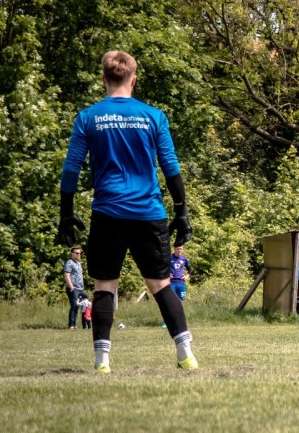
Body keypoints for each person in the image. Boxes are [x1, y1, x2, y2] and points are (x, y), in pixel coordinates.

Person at [57, 50, 197, 373]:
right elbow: (171, 168)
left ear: (103, 79)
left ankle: (102, 363)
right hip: (149, 212)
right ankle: (186, 355)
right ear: (133, 80)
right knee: (161, 284)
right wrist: (181, 211)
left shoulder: (88, 117)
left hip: (107, 213)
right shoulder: (154, 116)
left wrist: (66, 212)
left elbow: (71, 169)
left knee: (104, 286)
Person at [63, 247, 85, 330]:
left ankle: (75, 324)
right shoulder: (69, 262)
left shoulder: (79, 263)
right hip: (73, 288)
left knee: (77, 306)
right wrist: (71, 286)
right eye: (77, 253)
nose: (79, 255)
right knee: (74, 305)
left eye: (80, 253)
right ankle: (71, 324)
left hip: (80, 288)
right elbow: (67, 275)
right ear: (72, 253)